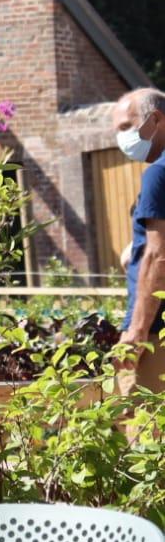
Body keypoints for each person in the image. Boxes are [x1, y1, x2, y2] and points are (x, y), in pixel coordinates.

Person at [113, 86, 165, 392]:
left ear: (155, 119)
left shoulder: (158, 174)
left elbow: (159, 257)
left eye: (125, 127)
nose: (121, 138)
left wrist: (137, 330)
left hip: (158, 332)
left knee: (143, 431)